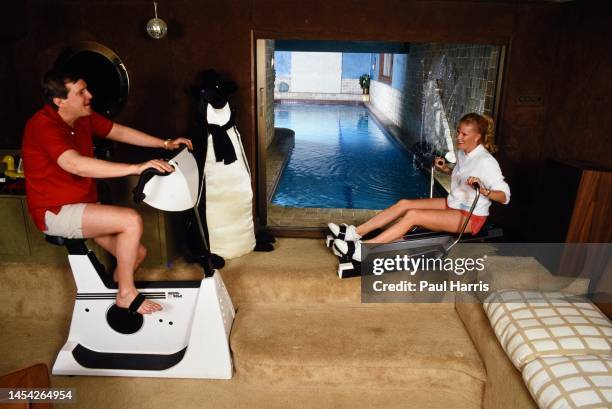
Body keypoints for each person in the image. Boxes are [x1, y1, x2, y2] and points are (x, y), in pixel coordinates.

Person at [22, 69, 193, 315]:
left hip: (84, 204)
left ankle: (112, 305)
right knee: (130, 221)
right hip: (55, 211)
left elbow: (119, 132)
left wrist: (164, 144)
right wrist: (136, 168)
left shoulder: (82, 116)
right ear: (59, 101)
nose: (89, 95)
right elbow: (75, 165)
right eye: (81, 92)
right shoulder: (41, 125)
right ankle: (125, 294)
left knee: (137, 253)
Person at [331, 112, 510, 261]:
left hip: (470, 217)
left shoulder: (487, 162)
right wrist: (446, 169)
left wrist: (484, 190)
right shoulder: (464, 153)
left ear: (477, 137)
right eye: (458, 132)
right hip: (453, 203)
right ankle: (355, 233)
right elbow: (463, 176)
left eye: (464, 134)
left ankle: (363, 251)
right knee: (404, 204)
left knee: (413, 216)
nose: (458, 137)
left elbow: (505, 196)